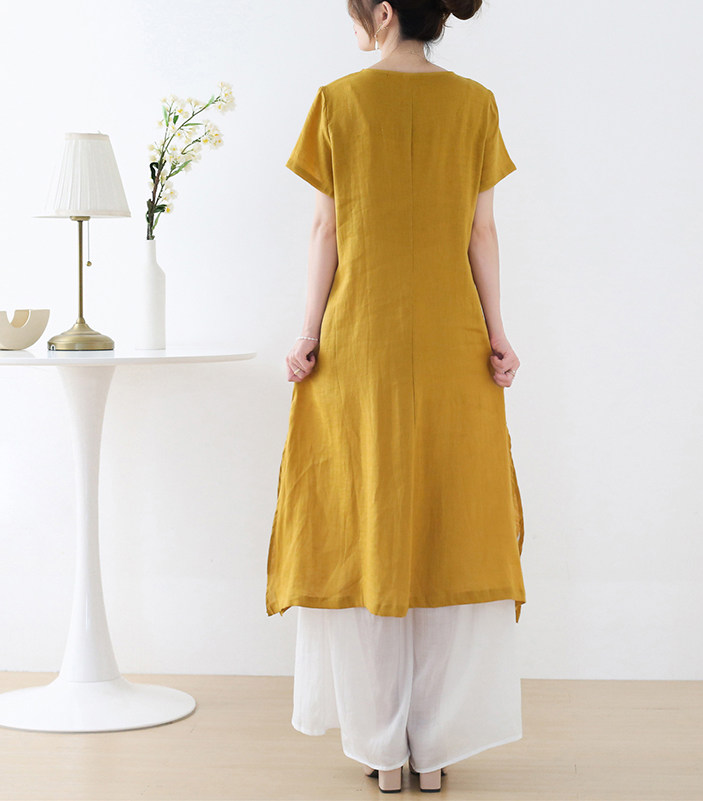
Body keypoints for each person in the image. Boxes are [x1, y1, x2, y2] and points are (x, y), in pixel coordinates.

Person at [266, 0, 526, 793]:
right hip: (452, 345)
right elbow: (481, 232)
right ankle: (434, 748)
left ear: (382, 10)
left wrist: (306, 334)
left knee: (368, 532)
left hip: (360, 347)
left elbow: (325, 231)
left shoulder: (338, 102)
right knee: (449, 534)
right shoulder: (475, 103)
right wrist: (499, 334)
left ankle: (382, 749)